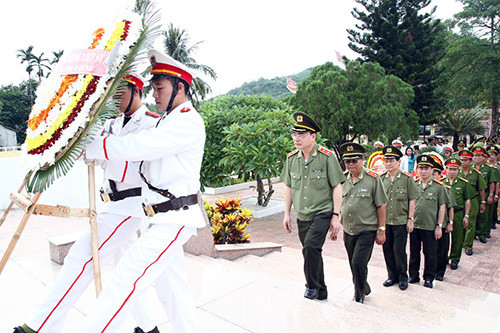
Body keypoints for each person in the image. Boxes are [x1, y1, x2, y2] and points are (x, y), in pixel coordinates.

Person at [14, 74, 161, 333]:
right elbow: (92, 154)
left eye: (120, 92)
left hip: (129, 205)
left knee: (80, 257)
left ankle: (38, 327)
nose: (114, 99)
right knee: (126, 267)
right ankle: (149, 327)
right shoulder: (112, 123)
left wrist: (99, 148)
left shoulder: (151, 125)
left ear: (137, 91)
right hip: (110, 202)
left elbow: (129, 160)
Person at [79, 50, 205, 332]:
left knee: (125, 278)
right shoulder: (169, 119)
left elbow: (139, 146)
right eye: (154, 88)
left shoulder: (187, 121)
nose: (155, 94)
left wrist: (92, 145)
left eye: (160, 88)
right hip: (158, 218)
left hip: (174, 218)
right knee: (173, 292)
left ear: (180, 88)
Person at [281, 112, 345, 301]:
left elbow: (337, 186)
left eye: (301, 134)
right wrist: (286, 214)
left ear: (313, 136)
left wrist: (336, 216)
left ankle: (311, 285)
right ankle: (322, 289)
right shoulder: (291, 158)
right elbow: (288, 186)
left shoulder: (327, 157)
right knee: (313, 252)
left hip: (322, 212)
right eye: (294, 134)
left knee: (309, 247)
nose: (296, 138)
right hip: (302, 215)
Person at [339, 142, 387, 303]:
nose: (351, 164)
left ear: (363, 159)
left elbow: (381, 205)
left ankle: (359, 293)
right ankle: (364, 286)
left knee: (359, 262)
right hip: (349, 229)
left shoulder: (373, 179)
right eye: (347, 161)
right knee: (353, 264)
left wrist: (381, 229)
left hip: (367, 229)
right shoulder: (342, 179)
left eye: (355, 160)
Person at [380, 145, 417, 291]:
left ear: (398, 161)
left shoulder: (406, 179)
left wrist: (410, 219)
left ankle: (403, 277)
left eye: (391, 160)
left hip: (401, 221)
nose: (388, 163)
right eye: (386, 161)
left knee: (399, 250)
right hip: (385, 221)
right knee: (387, 249)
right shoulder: (382, 179)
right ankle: (392, 275)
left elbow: (412, 199)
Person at [409, 155, 447, 289]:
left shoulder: (439, 187)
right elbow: (410, 203)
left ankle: (429, 277)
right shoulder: (413, 184)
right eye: (421, 168)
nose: (423, 171)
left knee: (430, 254)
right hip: (415, 224)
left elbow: (442, 207)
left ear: (432, 170)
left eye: (426, 168)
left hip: (430, 226)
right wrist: (410, 220)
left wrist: (439, 225)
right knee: (414, 252)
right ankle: (413, 275)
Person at [442, 157, 473, 270]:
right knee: (444, 238)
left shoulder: (463, 183)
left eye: (455, 169)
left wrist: (466, 215)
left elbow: (467, 200)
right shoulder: (441, 182)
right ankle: (443, 257)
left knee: (457, 238)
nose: (452, 172)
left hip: (458, 213)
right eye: (450, 169)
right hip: (444, 214)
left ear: (458, 170)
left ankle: (454, 259)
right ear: (446, 169)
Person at [430, 157, 456, 281]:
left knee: (442, 249)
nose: (432, 176)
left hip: (443, 224)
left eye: (434, 173)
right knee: (431, 251)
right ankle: (431, 271)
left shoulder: (445, 188)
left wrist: (450, 223)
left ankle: (439, 272)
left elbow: (450, 207)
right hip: (430, 224)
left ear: (440, 175)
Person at [458, 149, 486, 256]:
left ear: (470, 161)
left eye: (465, 160)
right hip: (460, 200)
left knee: (470, 223)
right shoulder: (457, 171)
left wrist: (483, 202)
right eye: (461, 160)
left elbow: (481, 189)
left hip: (473, 199)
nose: (463, 162)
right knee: (460, 222)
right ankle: (460, 243)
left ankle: (468, 245)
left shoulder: (476, 174)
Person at [471, 145, 497, 244]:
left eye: (479, 156)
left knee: (483, 215)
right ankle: (472, 234)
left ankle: (481, 234)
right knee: (473, 215)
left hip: (484, 194)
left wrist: (491, 195)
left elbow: (492, 183)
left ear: (483, 157)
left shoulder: (488, 168)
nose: (477, 158)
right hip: (473, 195)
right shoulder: (469, 168)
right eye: (475, 156)